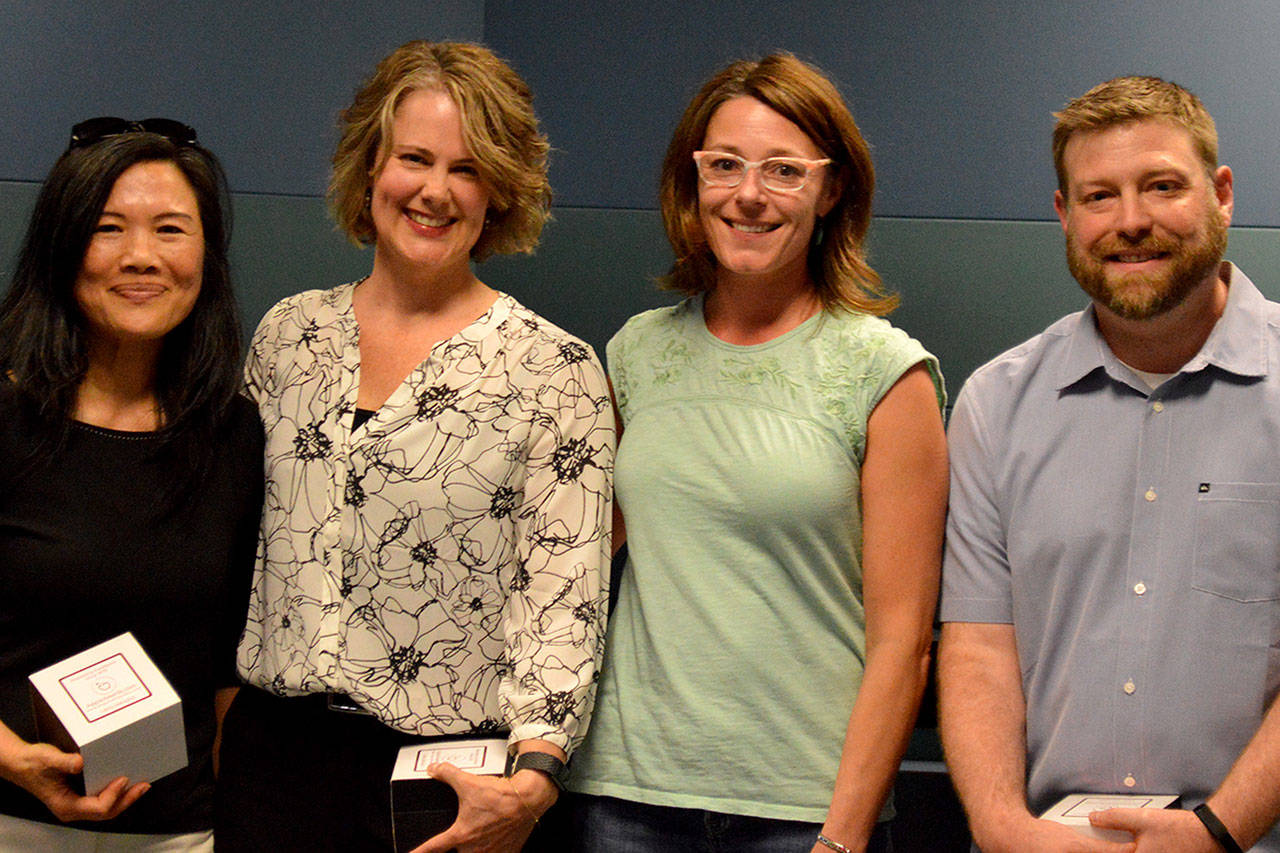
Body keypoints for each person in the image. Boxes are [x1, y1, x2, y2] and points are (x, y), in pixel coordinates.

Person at [215, 41, 614, 852]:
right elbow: (233, 546)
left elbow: (564, 591)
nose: (434, 190)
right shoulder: (289, 336)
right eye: (414, 159)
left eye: (467, 169)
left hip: (445, 782)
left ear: (499, 192)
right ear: (371, 169)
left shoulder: (553, 369)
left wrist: (533, 779)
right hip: (272, 761)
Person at [568, 53, 948, 853]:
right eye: (725, 165)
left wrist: (840, 840)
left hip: (803, 814)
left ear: (832, 188)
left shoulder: (886, 373)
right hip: (627, 802)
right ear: (692, 180)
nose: (749, 193)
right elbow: (576, 567)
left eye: (783, 169)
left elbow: (903, 644)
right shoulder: (635, 354)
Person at [938, 75, 1280, 852]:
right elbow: (980, 647)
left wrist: (1217, 832)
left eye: (1162, 186)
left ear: (1221, 194)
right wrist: (1002, 831)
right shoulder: (996, 403)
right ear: (1065, 214)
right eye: (1099, 197)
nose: (1131, 222)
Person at [0, 118, 263, 851]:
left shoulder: (233, 436)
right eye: (108, 228)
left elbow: (226, 667)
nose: (141, 257)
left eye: (171, 229)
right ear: (62, 246)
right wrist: (12, 759)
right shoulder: (6, 416)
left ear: (206, 255)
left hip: (178, 834)